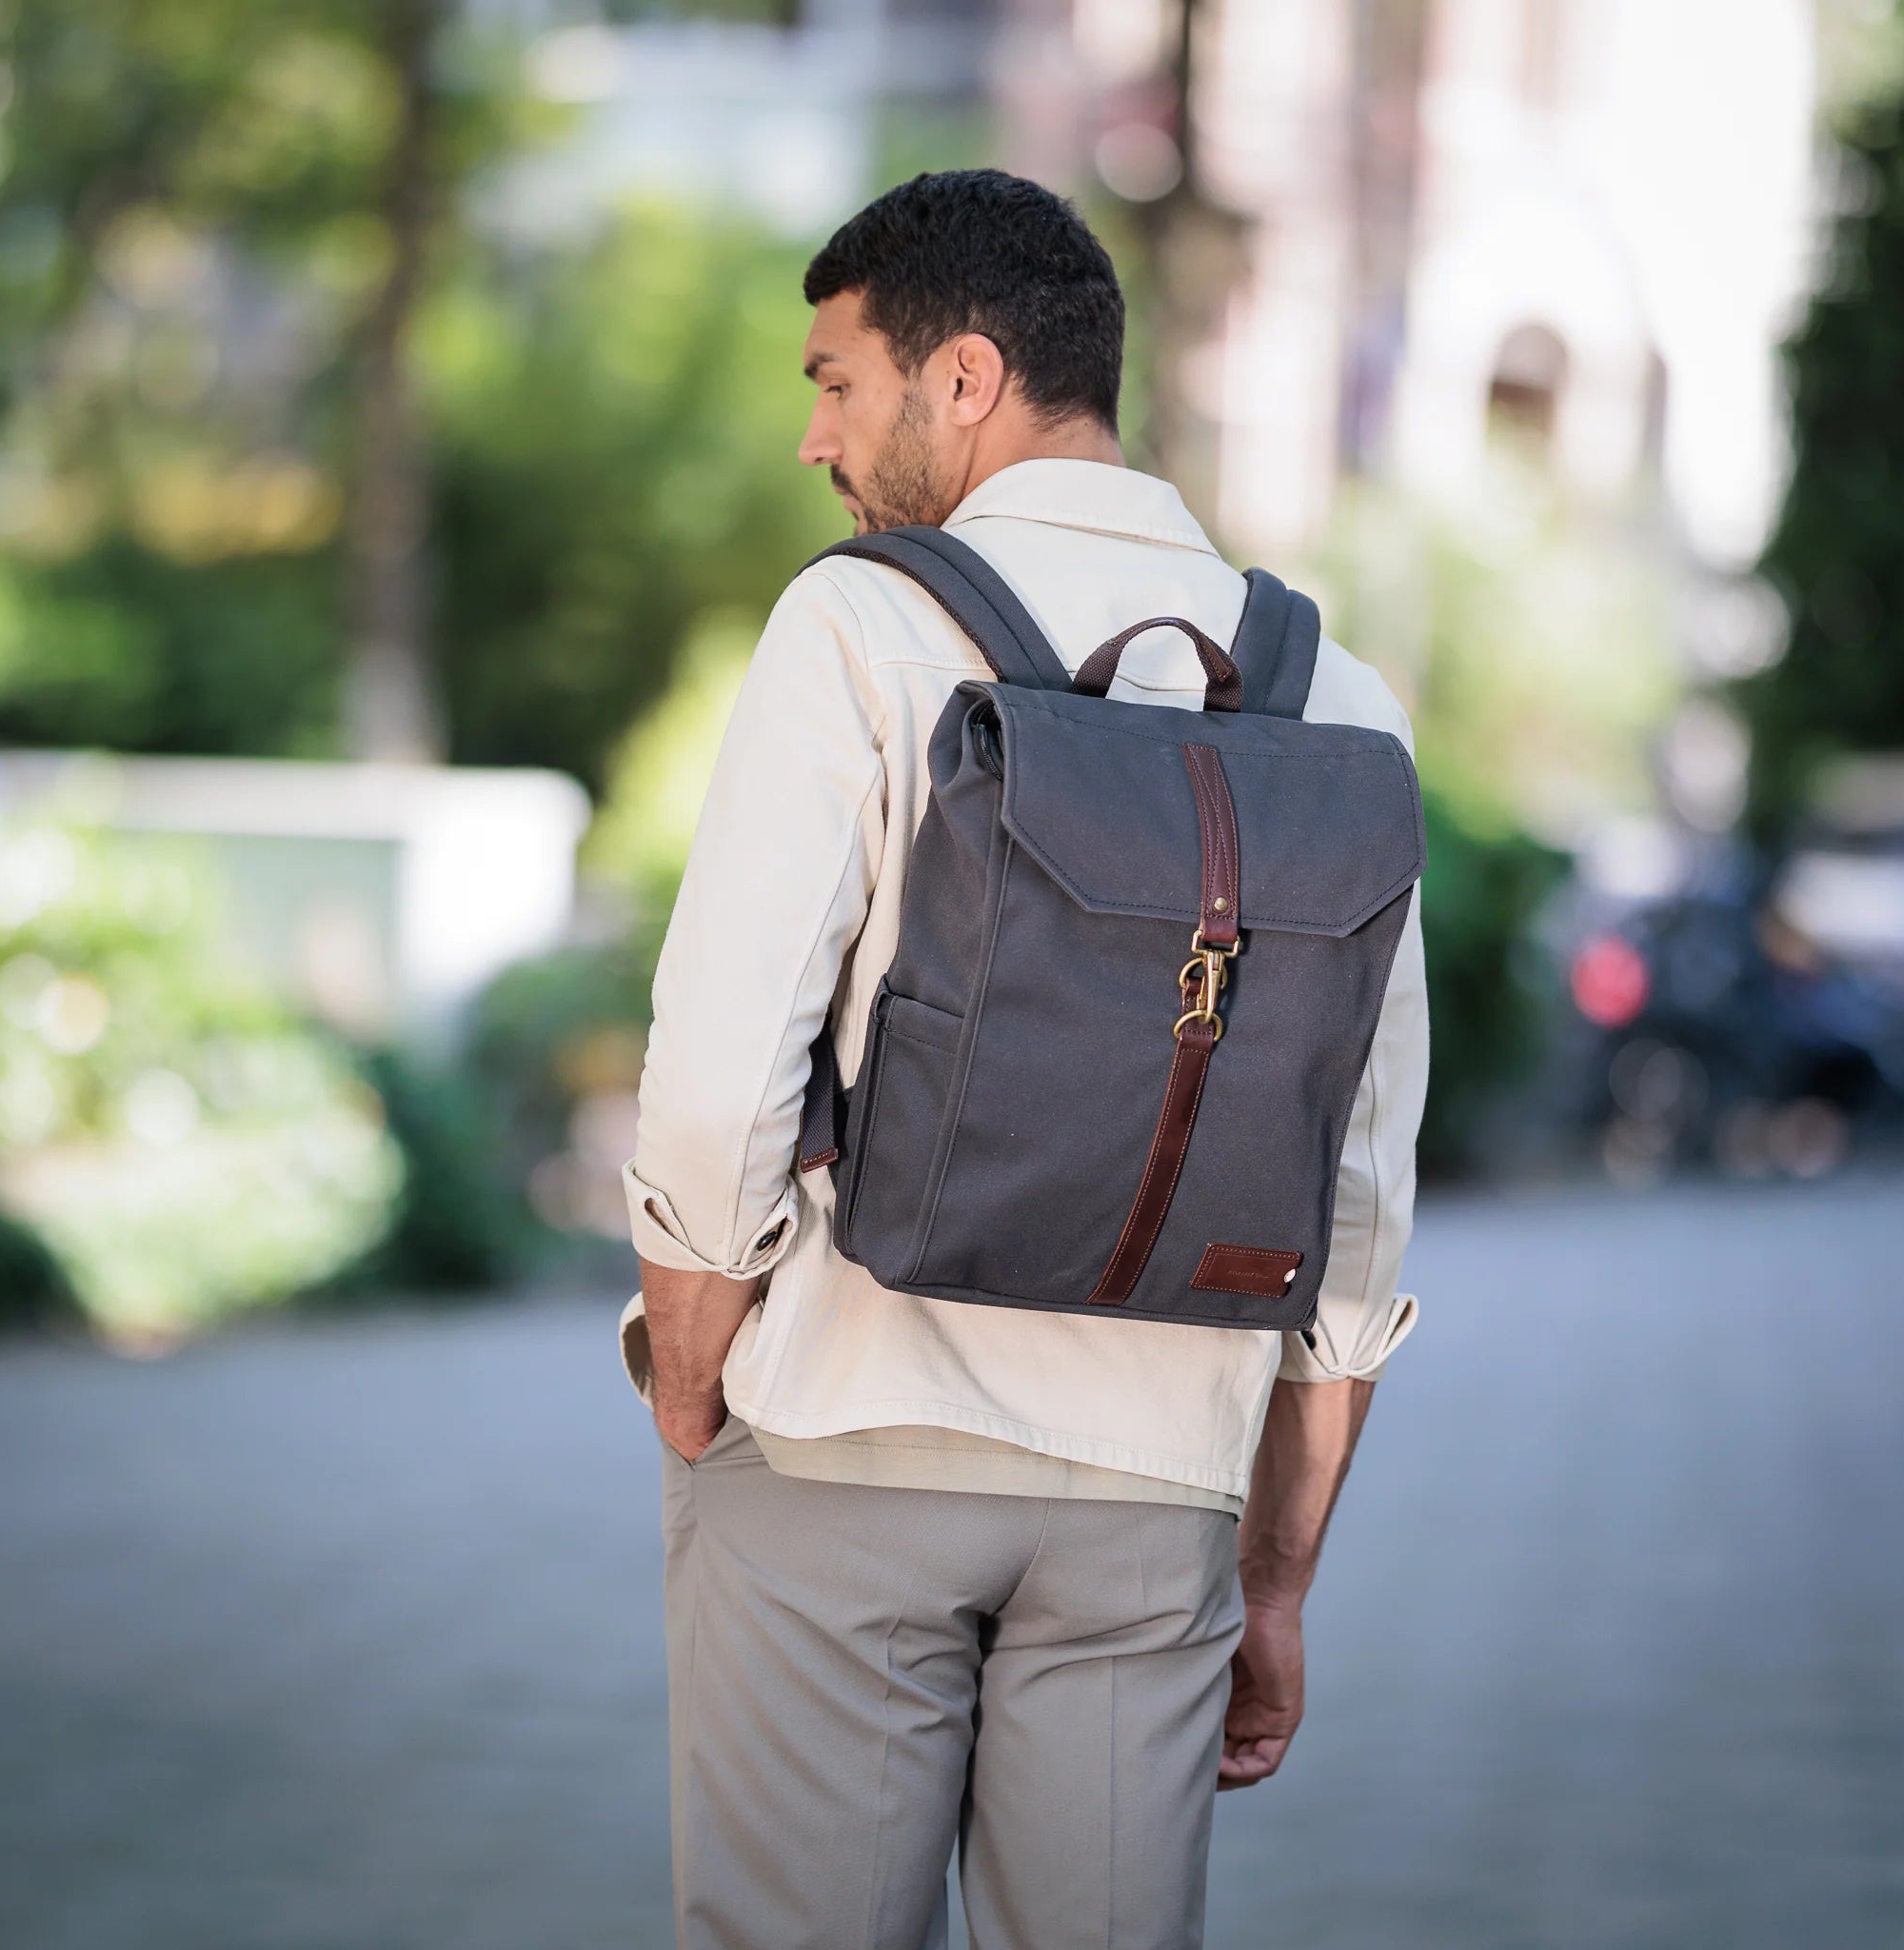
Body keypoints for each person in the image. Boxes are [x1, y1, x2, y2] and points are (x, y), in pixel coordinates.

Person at [619, 168, 1428, 1950]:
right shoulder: (1335, 699)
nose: (818, 441)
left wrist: (692, 1376)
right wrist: (1276, 1579)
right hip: (1162, 1491)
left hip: (850, 1433)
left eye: (836, 381)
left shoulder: (860, 624)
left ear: (964, 377)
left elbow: (718, 1061)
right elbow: (1359, 1174)